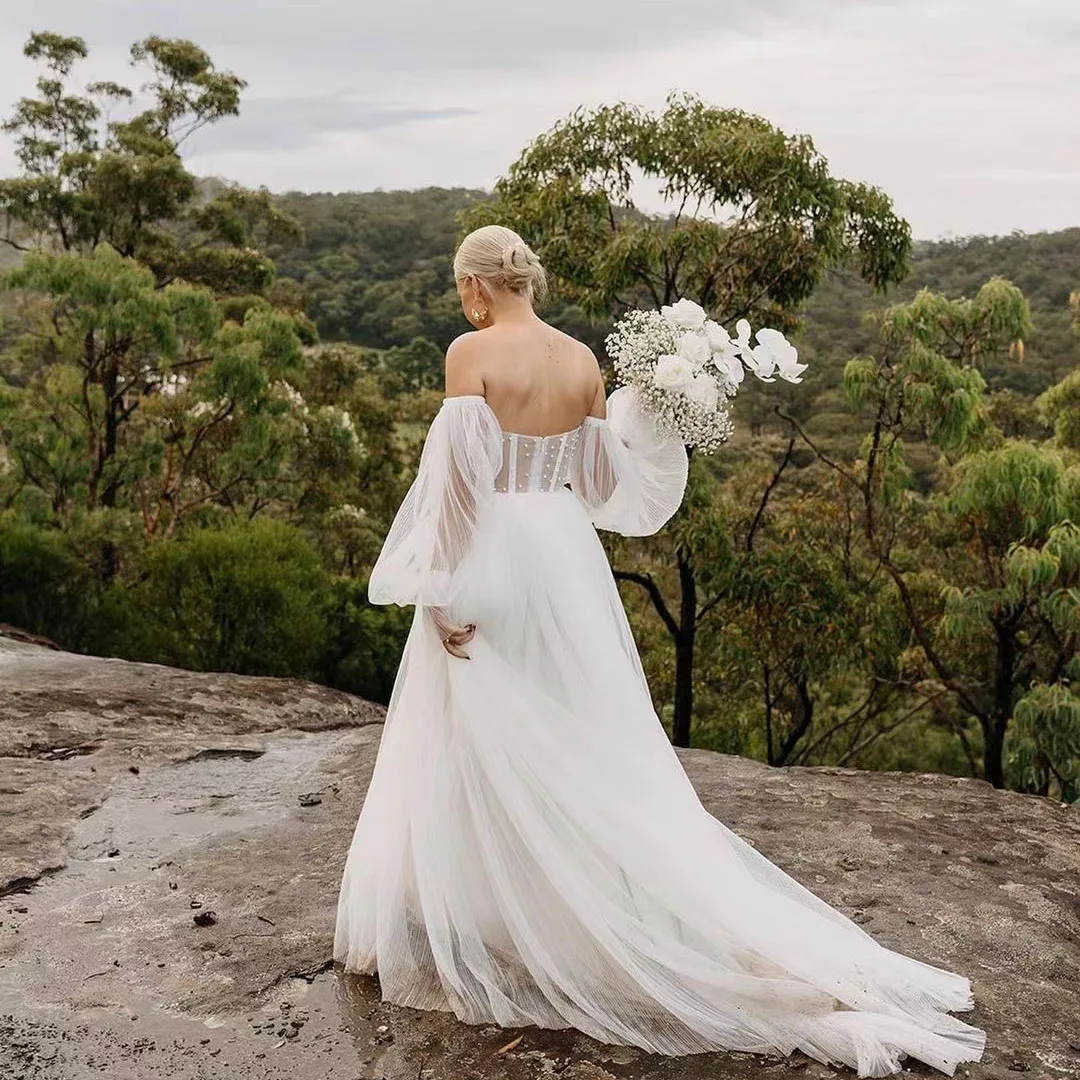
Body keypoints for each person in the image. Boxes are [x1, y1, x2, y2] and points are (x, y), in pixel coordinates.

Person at [333, 224, 985, 1077]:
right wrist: (652, 418)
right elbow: (601, 488)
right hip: (563, 554)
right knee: (572, 730)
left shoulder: (470, 351)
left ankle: (497, 910)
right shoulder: (582, 362)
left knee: (471, 727)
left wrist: (438, 589)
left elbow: (458, 485)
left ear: (477, 287)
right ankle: (548, 902)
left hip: (493, 549)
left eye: (465, 290)